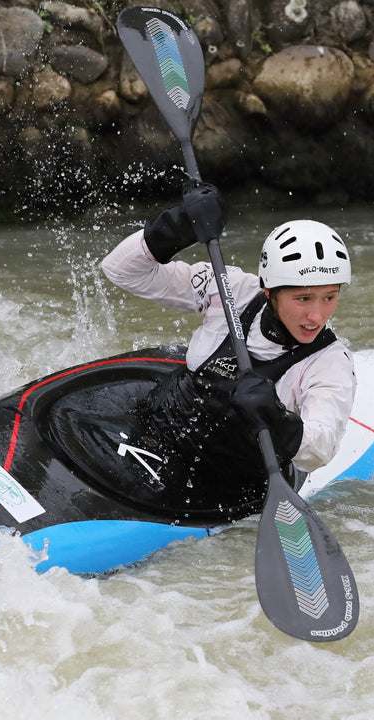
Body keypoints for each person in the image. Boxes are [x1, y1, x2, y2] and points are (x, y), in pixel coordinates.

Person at [99, 183, 357, 513]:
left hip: (224, 484)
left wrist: (277, 420)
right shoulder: (229, 289)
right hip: (159, 430)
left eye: (329, 298)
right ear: (269, 290)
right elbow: (121, 271)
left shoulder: (330, 362)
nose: (317, 315)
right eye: (303, 298)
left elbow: (320, 448)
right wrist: (176, 227)